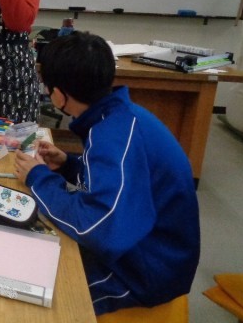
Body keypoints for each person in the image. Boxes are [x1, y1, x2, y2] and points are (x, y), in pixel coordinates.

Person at [13, 32, 200, 316]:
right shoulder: (118, 116)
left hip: (145, 272)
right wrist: (68, 165)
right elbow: (119, 184)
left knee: (34, 294)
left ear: (59, 95)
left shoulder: (112, 136)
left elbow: (97, 228)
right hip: (143, 246)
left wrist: (38, 178)